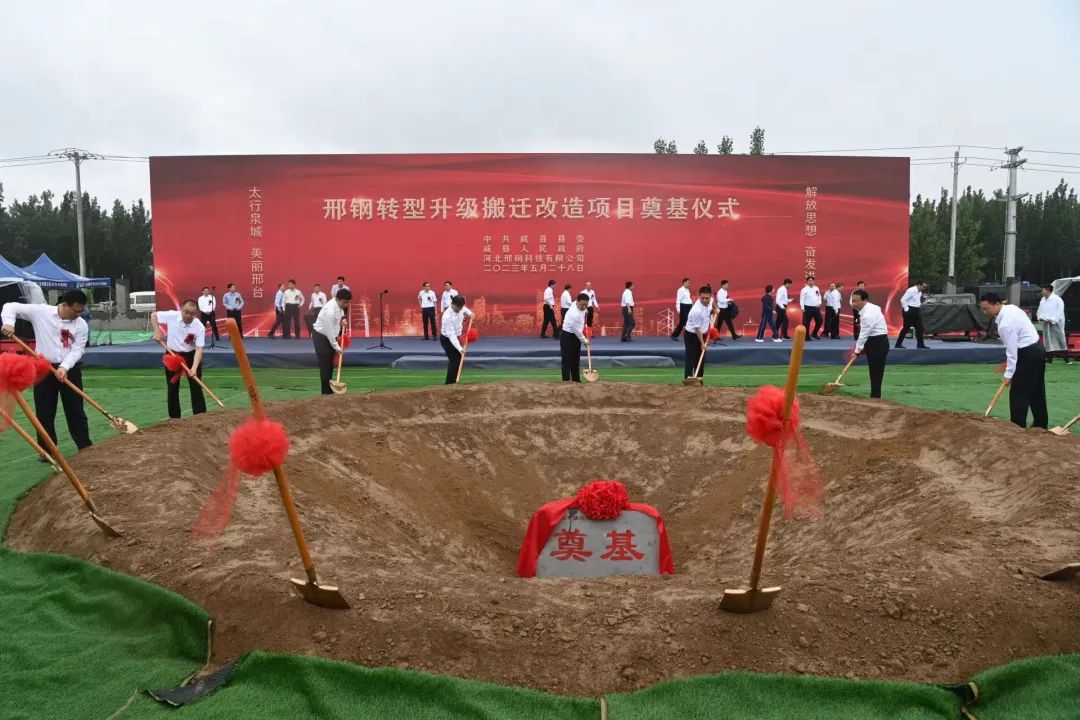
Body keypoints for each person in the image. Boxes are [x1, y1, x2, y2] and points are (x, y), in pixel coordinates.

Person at [1, 290, 92, 453]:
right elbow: (10, 306)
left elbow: (78, 349)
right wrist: (9, 323)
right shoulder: (41, 312)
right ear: (64, 305)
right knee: (44, 412)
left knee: (75, 410)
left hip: (70, 369)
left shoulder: (81, 325)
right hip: (44, 369)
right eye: (76, 311)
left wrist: (64, 367)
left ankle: (84, 446)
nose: (79, 315)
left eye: (81, 311)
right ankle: (47, 451)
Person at [980, 293, 1047, 429]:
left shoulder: (1005, 324)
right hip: (1037, 351)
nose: (985, 312)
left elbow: (1012, 351)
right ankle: (1041, 424)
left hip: (1027, 354)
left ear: (997, 304)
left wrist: (1009, 374)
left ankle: (1017, 428)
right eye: (983, 309)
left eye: (986, 309)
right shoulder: (1011, 308)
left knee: (1018, 393)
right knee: (1036, 390)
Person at [152, 301, 206, 419]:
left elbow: (199, 349)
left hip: (191, 355)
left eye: (192, 313)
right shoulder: (172, 315)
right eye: (186, 312)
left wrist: (194, 368)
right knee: (172, 387)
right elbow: (154, 315)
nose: (188, 315)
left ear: (196, 314)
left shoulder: (199, 327)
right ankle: (174, 418)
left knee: (196, 386)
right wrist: (157, 330)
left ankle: (200, 417)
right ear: (181, 309)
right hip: (172, 355)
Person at [312, 288, 352, 395]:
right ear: (337, 299)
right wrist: (337, 348)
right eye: (344, 302)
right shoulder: (330, 310)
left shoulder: (339, 306)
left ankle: (329, 390)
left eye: (347, 303)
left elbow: (340, 315)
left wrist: (342, 321)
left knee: (330, 364)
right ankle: (326, 393)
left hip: (330, 336)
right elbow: (329, 332)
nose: (346, 305)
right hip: (321, 336)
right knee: (325, 364)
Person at [851, 290, 889, 398]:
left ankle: (875, 397)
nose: (854, 304)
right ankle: (875, 395)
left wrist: (856, 352)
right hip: (873, 340)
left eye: (856, 301)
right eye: (852, 301)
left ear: (865, 300)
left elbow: (864, 334)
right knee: (874, 371)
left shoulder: (868, 315)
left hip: (878, 342)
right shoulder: (872, 307)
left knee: (876, 371)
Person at [440, 295, 474, 385]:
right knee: (455, 360)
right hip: (447, 339)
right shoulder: (447, 316)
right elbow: (451, 336)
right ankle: (449, 383)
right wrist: (460, 348)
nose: (460, 309)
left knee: (458, 360)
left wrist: (470, 313)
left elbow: (464, 309)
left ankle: (454, 382)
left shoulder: (460, 307)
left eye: (461, 307)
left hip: (457, 337)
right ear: (453, 304)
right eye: (459, 307)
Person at [684, 286, 714, 379]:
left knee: (701, 358)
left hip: (703, 333)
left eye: (707, 298)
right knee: (691, 357)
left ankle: (699, 379)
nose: (705, 300)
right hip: (692, 335)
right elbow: (698, 329)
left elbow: (713, 302)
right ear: (699, 296)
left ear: (710, 296)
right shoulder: (696, 311)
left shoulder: (711, 300)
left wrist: (716, 308)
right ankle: (688, 379)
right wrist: (702, 343)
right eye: (702, 298)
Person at [560, 293, 590, 382]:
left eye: (586, 305)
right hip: (568, 335)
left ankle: (576, 381)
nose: (584, 307)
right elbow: (576, 330)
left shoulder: (579, 304)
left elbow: (584, 308)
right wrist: (584, 340)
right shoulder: (573, 314)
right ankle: (566, 382)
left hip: (576, 335)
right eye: (582, 304)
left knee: (576, 359)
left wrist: (585, 310)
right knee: (567, 359)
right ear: (577, 302)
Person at [1037, 284, 1071, 364]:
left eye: (1043, 290)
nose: (1042, 292)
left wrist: (1052, 319)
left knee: (1060, 340)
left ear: (1048, 290)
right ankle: (1049, 359)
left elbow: (1060, 311)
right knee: (1047, 340)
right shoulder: (1043, 300)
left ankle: (1066, 358)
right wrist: (1041, 318)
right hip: (1046, 323)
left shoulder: (1057, 299)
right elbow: (1040, 310)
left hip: (1056, 323)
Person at [896, 281, 928, 349]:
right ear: (919, 285)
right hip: (909, 310)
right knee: (906, 328)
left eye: (925, 287)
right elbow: (902, 300)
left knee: (920, 328)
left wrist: (923, 300)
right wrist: (907, 310)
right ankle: (898, 344)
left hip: (916, 310)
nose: (924, 288)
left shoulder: (920, 292)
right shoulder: (911, 290)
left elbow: (917, 302)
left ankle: (920, 345)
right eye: (923, 287)